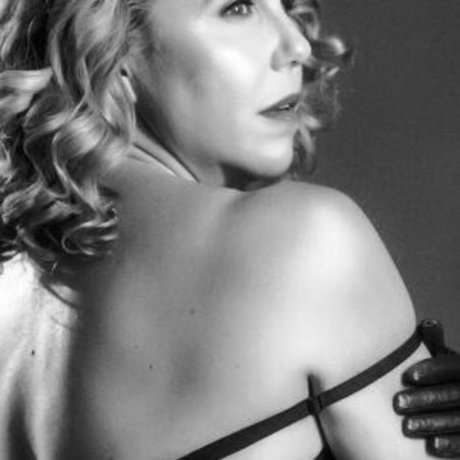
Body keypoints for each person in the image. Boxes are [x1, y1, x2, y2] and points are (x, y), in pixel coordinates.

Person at [0, 0, 459, 458]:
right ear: (112, 53)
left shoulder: (13, 277)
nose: (298, 45)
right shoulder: (302, 242)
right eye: (237, 8)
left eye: (286, 6)